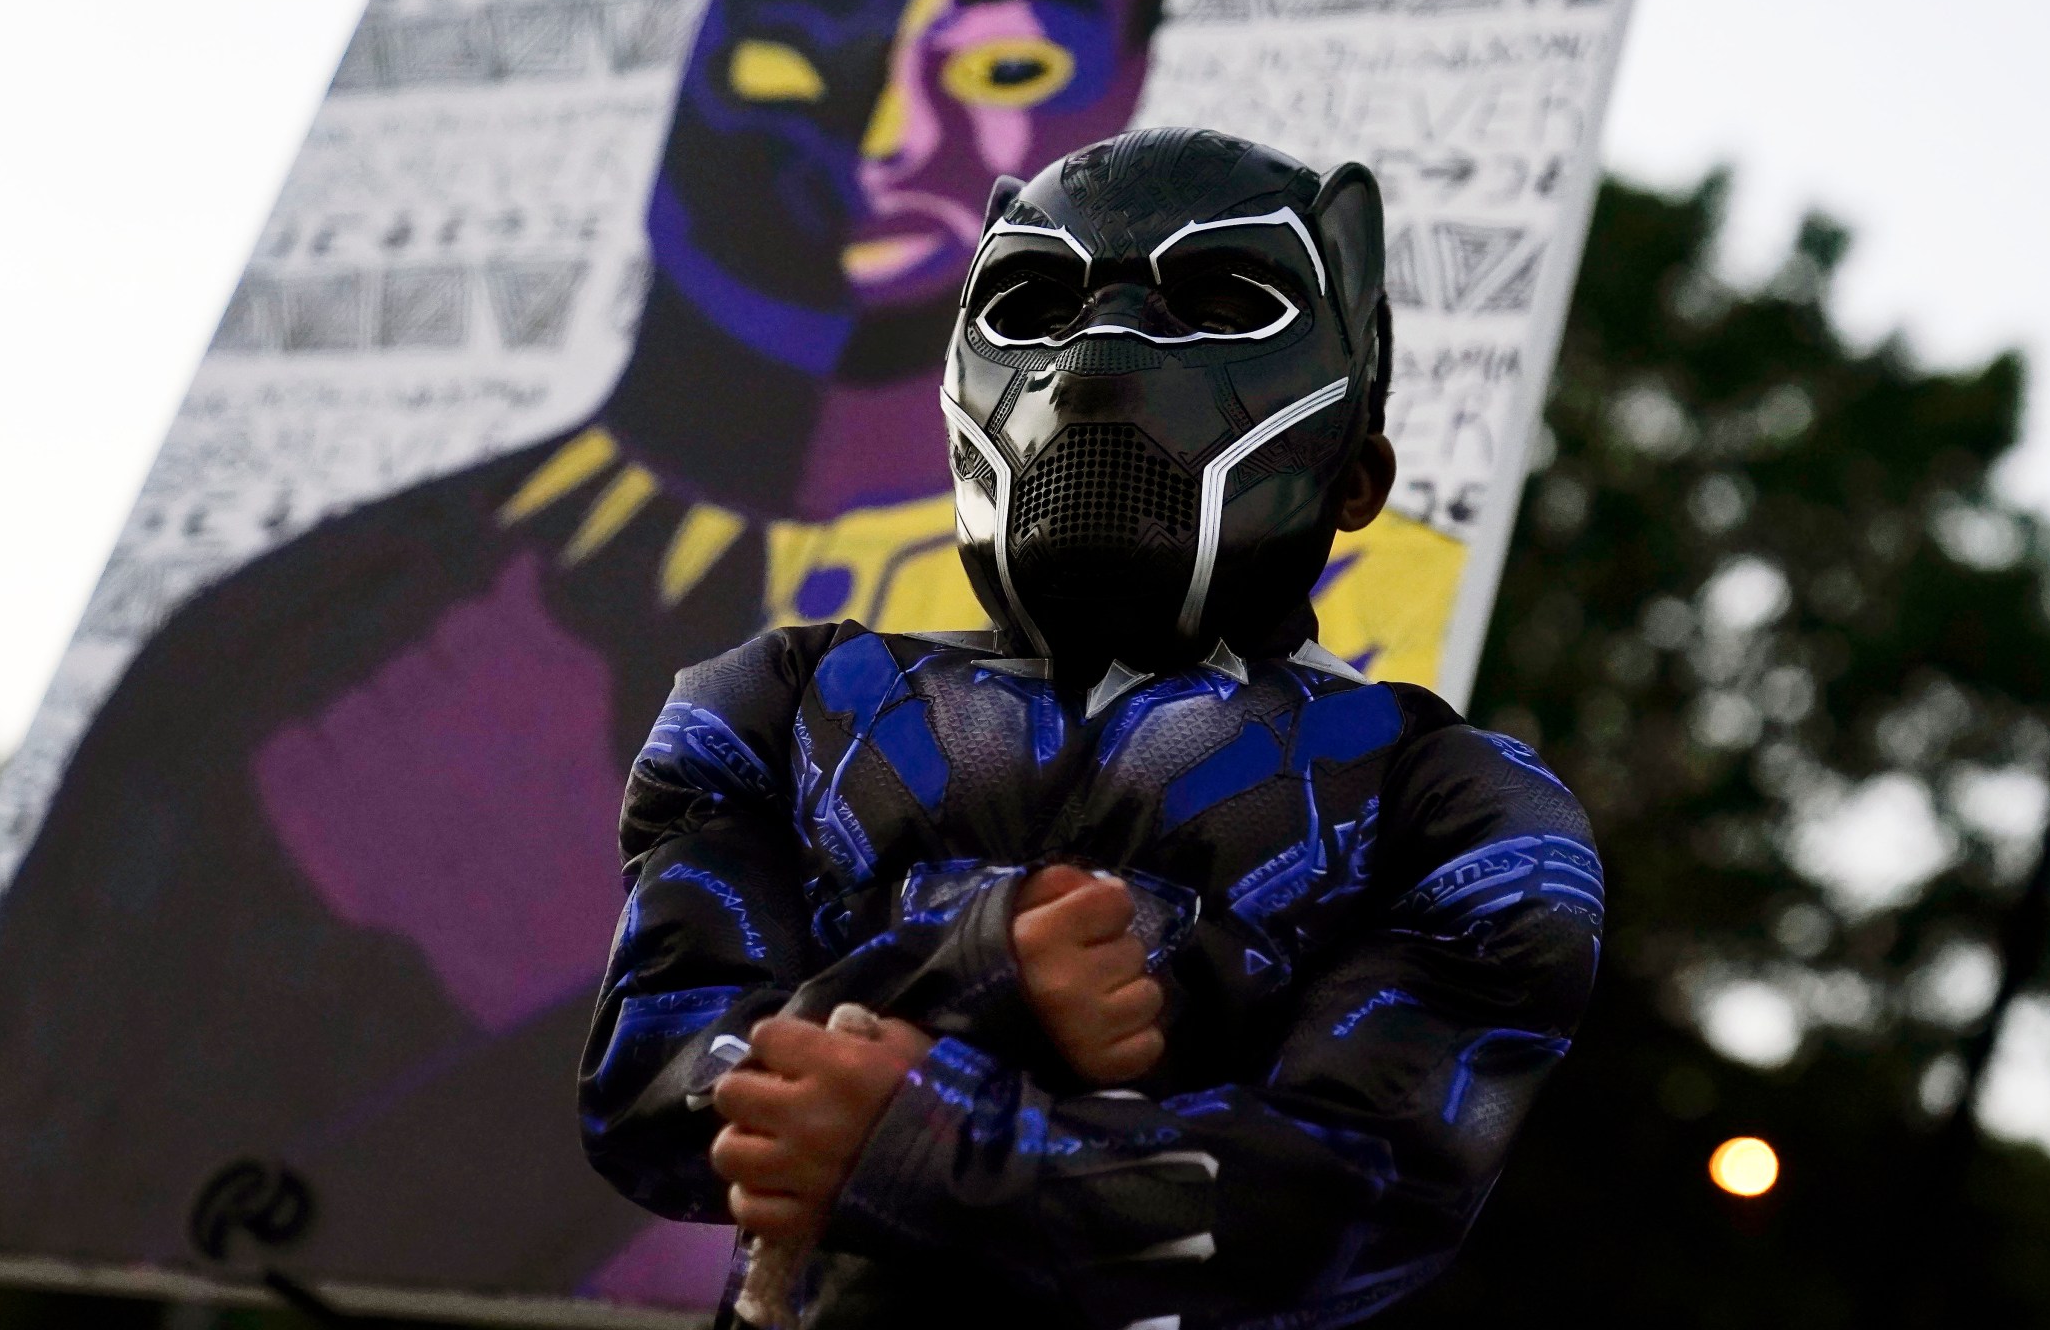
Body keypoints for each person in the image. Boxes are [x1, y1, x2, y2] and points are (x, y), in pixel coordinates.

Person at [0, 0, 1201, 1300]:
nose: (878, 130)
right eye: (804, 48)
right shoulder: (294, 644)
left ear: (1123, 96)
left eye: (1002, 70)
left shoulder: (1201, 718)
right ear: (699, 53)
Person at [580, 129, 1603, 1327]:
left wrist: (933, 1139)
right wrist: (970, 969)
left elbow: (1362, 1194)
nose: (1103, 351)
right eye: (1037, 298)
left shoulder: (1458, 804)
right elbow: (651, 1082)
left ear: (1359, 475)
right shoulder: (770, 702)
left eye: (1221, 299)